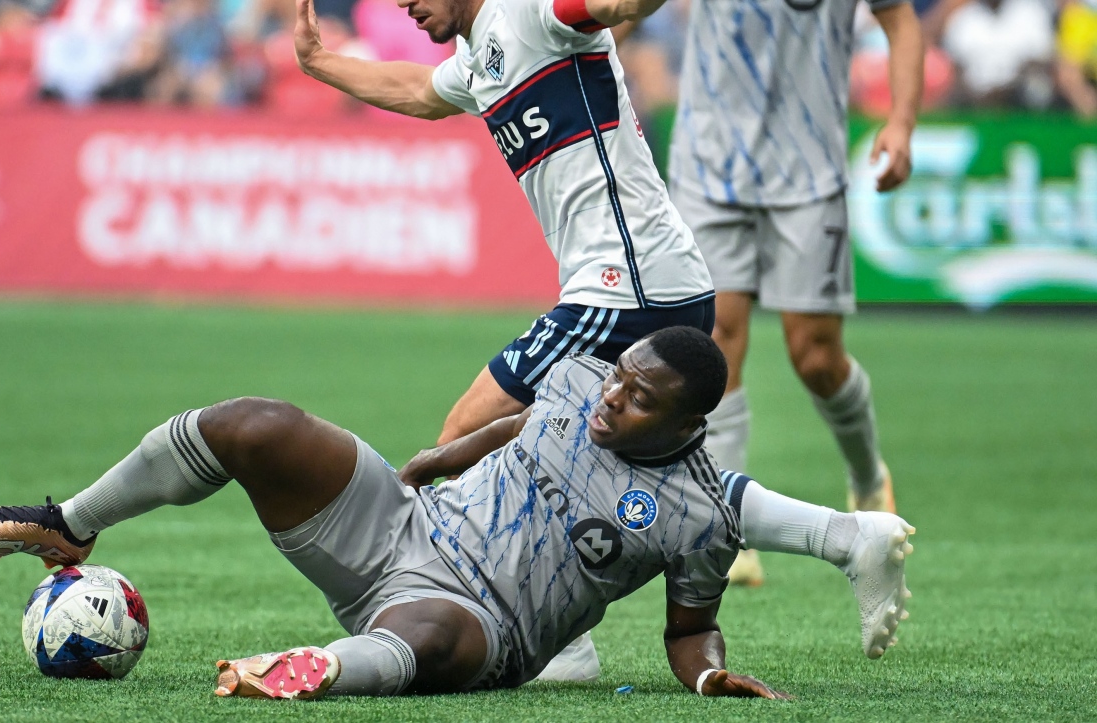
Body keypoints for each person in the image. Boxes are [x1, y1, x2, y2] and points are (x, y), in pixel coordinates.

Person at [291, 0, 916, 681]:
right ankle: (848, 536)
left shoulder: (533, 13)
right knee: (636, 476)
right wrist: (320, 63)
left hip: (627, 286)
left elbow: (614, 6)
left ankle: (557, 638)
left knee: (470, 431)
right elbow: (415, 90)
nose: (405, 4)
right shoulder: (478, 58)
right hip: (642, 282)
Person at [0, 327, 912, 699]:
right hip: (405, 528)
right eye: (620, 381)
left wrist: (710, 681)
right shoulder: (583, 380)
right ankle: (71, 520)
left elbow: (690, 631)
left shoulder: (702, 515)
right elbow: (531, 422)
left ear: (690, 419)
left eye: (641, 398)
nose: (615, 399)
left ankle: (317, 670)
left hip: (483, 623)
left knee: (430, 632)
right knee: (258, 425)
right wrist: (449, 452)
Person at [664, 0, 925, 589]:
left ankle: (865, 472)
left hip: (808, 172)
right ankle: (725, 528)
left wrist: (901, 121)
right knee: (715, 341)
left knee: (815, 357)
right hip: (708, 166)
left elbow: (901, 21)